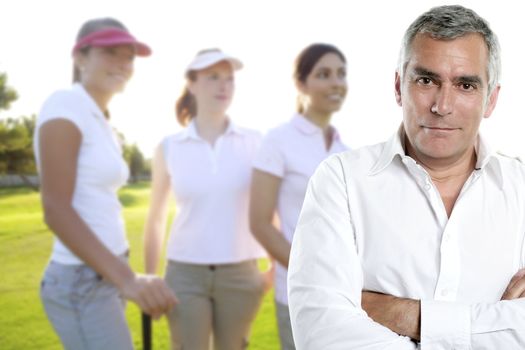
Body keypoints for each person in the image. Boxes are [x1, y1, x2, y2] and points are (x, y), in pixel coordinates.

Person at [288, 4, 525, 349]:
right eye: (426, 80)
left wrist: (403, 315)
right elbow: (322, 333)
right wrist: (494, 328)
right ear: (399, 87)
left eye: (465, 85)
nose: (442, 105)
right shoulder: (341, 181)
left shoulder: (522, 188)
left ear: (491, 100)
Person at [34, 18, 177, 349]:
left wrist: (121, 275)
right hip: (81, 281)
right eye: (111, 52)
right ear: (80, 57)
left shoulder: (99, 119)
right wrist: (128, 280)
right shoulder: (65, 104)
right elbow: (55, 209)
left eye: (129, 56)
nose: (123, 64)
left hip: (105, 273)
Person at [143, 48, 271, 350]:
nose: (224, 85)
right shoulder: (169, 147)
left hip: (241, 274)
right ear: (191, 83)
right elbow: (156, 217)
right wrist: (150, 279)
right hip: (184, 274)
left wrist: (272, 270)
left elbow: (269, 210)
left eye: (229, 78)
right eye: (213, 77)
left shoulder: (255, 142)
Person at [250, 43, 348, 349]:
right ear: (301, 83)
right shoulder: (278, 141)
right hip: (299, 295)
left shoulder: (344, 150)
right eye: (324, 74)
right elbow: (260, 223)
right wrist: (312, 275)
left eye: (341, 74)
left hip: (343, 297)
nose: (336, 82)